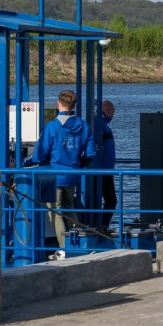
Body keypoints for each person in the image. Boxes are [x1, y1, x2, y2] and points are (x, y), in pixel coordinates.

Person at [29, 90, 96, 251]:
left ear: (59, 104)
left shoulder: (52, 128)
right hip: (73, 175)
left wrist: (27, 161)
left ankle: (64, 248)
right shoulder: (83, 126)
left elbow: (39, 154)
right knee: (70, 207)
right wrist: (78, 163)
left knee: (56, 211)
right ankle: (79, 244)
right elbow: (91, 152)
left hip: (55, 176)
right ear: (73, 106)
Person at [95, 100, 118, 228]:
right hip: (102, 170)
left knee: (106, 200)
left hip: (104, 170)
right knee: (111, 200)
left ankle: (100, 224)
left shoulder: (99, 124)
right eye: (112, 112)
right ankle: (102, 225)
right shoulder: (100, 125)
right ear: (109, 111)